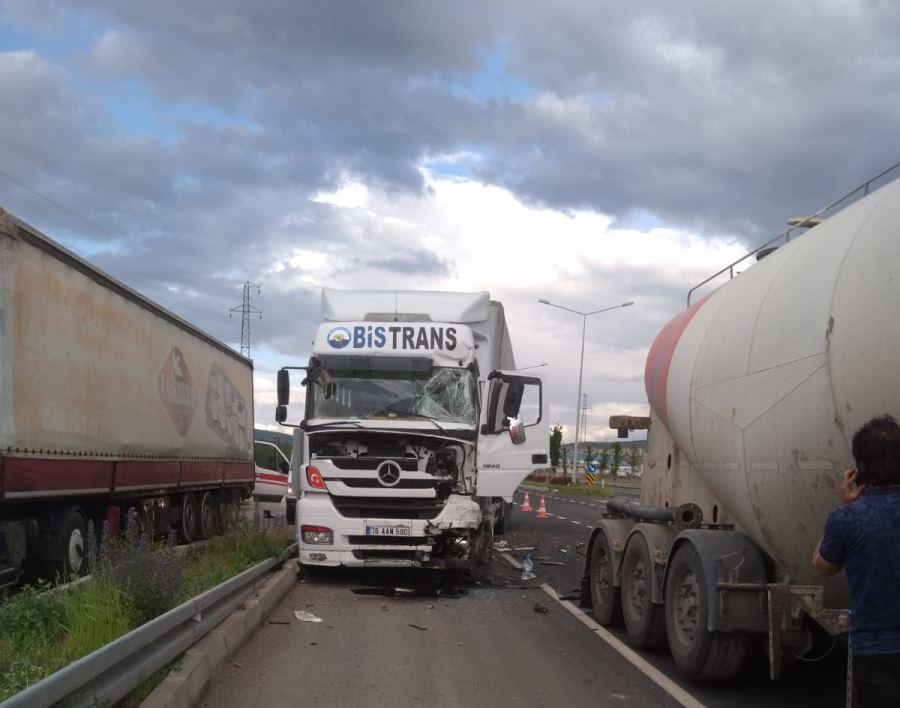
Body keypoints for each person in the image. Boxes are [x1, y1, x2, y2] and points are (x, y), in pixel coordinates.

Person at [813, 414, 900, 707]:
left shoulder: (848, 518)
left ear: (859, 470)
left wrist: (845, 507)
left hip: (875, 651)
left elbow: (823, 565)